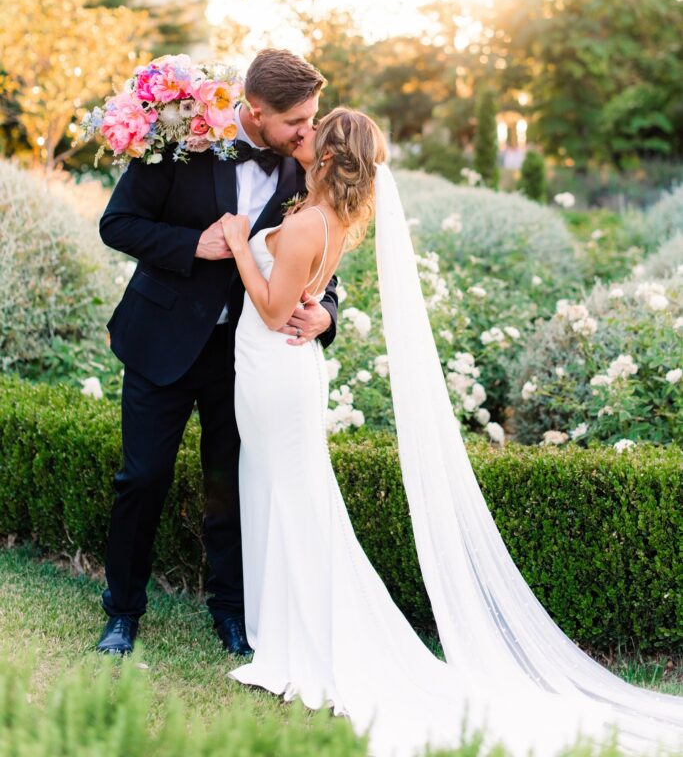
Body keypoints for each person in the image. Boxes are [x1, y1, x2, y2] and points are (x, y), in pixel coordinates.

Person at [220, 107, 683, 757]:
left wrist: (241, 245)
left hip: (274, 370)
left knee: (290, 499)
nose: (303, 139)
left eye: (312, 137)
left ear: (326, 158)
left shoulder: (302, 225)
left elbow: (272, 312)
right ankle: (287, 628)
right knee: (288, 496)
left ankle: (299, 639)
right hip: (284, 373)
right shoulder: (334, 219)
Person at [95, 49, 338, 658]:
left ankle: (231, 612)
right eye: (297, 123)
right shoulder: (183, 141)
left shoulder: (303, 167)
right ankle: (122, 612)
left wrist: (326, 311)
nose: (310, 132)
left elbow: (324, 248)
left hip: (247, 358)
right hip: (162, 342)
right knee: (141, 479)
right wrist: (190, 245)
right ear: (255, 112)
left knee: (230, 486)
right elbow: (117, 223)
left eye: (313, 118)